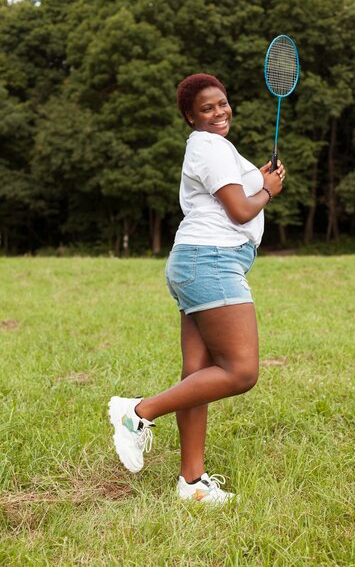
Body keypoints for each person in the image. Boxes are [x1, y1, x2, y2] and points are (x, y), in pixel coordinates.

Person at [109, 73, 286, 504]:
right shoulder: (207, 145)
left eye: (222, 103)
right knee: (241, 372)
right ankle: (137, 412)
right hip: (211, 261)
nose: (219, 112)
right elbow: (241, 210)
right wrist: (268, 188)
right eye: (206, 108)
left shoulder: (216, 149)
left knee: (198, 375)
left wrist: (256, 178)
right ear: (191, 116)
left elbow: (229, 197)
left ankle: (191, 483)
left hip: (197, 260)